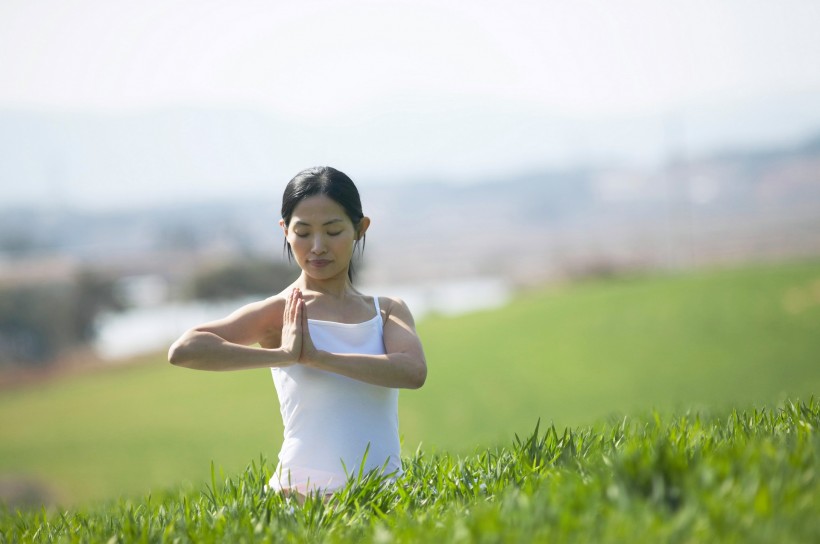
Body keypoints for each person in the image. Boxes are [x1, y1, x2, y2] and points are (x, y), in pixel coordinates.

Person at [168, 166, 427, 499]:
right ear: (285, 231)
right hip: (301, 497)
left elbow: (413, 371)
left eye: (333, 231)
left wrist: (319, 358)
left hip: (385, 495)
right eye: (303, 233)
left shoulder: (388, 310)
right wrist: (281, 356)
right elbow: (185, 349)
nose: (317, 246)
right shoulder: (283, 310)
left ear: (360, 228)